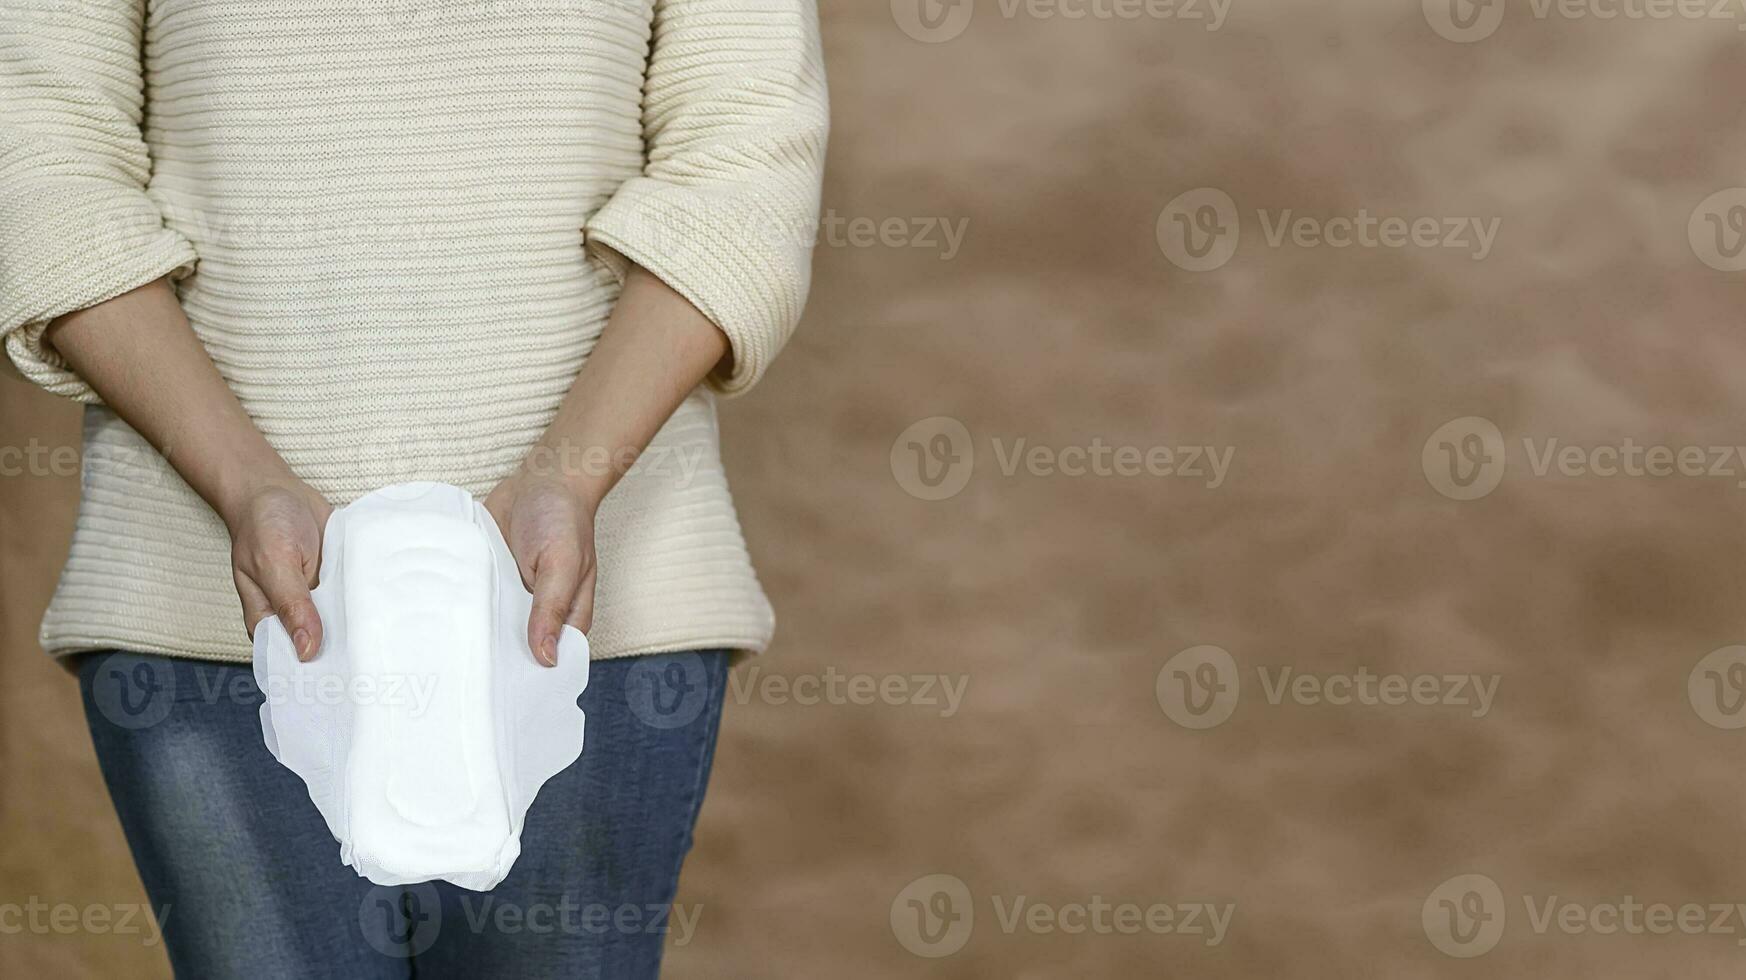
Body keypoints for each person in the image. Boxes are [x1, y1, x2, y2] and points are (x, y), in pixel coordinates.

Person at [0, 1, 827, 975]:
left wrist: (567, 477)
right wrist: (244, 484)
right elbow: (40, 162)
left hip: (587, 616)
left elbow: (744, 168)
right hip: (213, 611)